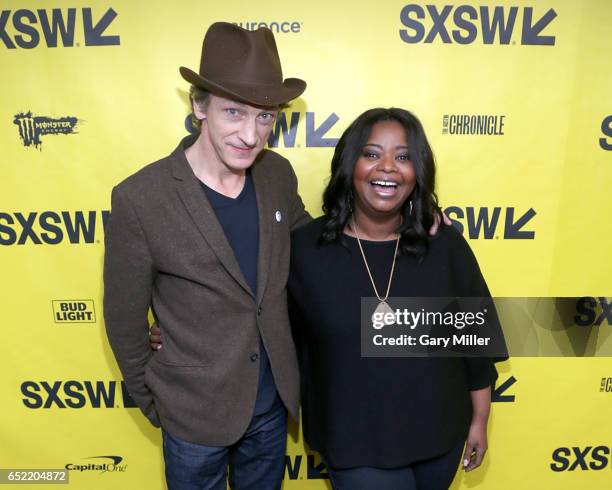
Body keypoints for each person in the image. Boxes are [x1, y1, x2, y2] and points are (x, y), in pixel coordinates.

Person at [103, 22, 311, 490]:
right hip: (193, 415)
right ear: (199, 106)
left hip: (271, 408)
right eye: (234, 112)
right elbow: (123, 319)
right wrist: (161, 402)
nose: (250, 134)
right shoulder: (140, 198)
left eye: (265, 117)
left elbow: (313, 248)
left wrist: (405, 223)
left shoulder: (277, 175)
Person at [286, 108, 506, 489]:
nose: (387, 167)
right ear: (349, 164)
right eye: (371, 154)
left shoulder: (445, 245)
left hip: (441, 437)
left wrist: (479, 420)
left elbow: (474, 347)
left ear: (417, 171)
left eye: (403, 157)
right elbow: (262, 327)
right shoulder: (305, 250)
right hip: (355, 444)